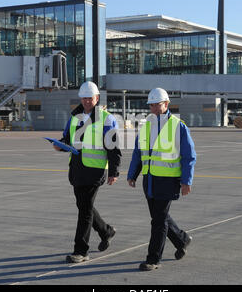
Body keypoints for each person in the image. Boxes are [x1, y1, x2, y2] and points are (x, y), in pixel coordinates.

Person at [127, 87, 196, 271]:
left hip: (167, 181)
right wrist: (132, 174)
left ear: (166, 104)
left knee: (158, 221)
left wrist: (186, 180)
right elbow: (138, 152)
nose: (154, 108)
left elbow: (189, 156)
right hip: (148, 180)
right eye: (151, 105)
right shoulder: (146, 125)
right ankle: (182, 239)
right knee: (159, 217)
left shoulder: (178, 126)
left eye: (157, 105)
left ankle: (153, 259)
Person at [54, 81, 121, 263]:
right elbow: (68, 139)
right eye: (83, 98)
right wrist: (59, 146)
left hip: (95, 171)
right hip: (77, 170)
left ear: (97, 98)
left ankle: (81, 250)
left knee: (84, 211)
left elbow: (113, 148)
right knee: (84, 207)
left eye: (90, 98)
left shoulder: (107, 119)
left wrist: (114, 171)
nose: (86, 102)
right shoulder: (74, 118)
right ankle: (106, 231)